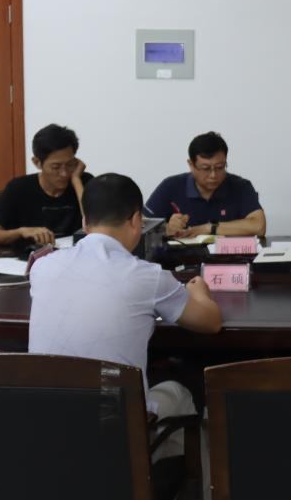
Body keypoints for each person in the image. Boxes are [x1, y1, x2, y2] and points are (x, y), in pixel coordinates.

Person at [29, 173, 222, 454]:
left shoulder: (42, 267)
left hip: (49, 424)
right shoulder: (147, 276)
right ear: (136, 220)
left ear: (85, 221)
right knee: (181, 390)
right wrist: (199, 291)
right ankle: (166, 475)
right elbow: (210, 322)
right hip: (113, 432)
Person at [0, 123, 91, 249]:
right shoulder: (19, 188)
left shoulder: (84, 182)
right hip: (30, 259)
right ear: (37, 162)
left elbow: (95, 227)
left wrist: (76, 181)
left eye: (70, 164)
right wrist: (22, 232)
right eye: (56, 167)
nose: (64, 173)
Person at [145, 132, 266, 238]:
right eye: (206, 168)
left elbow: (259, 226)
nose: (213, 175)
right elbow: (142, 225)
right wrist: (166, 229)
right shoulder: (171, 186)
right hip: (179, 256)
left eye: (220, 167)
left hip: (229, 256)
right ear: (191, 165)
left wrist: (208, 228)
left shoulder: (241, 186)